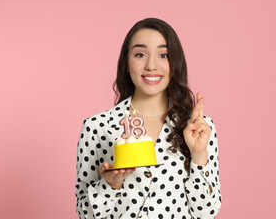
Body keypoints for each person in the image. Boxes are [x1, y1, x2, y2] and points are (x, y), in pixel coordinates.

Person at [75, 18, 222, 218]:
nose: (151, 65)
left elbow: (206, 213)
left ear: (175, 64)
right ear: (127, 63)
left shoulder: (199, 129)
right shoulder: (97, 128)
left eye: (163, 55)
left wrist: (198, 155)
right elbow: (85, 214)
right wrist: (110, 185)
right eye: (140, 54)